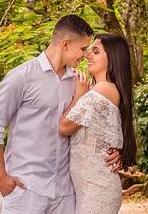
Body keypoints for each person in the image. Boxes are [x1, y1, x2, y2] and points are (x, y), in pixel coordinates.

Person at [0, 15, 123, 214]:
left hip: (65, 194)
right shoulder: (21, 77)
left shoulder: (79, 83)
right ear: (65, 44)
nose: (85, 55)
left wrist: (114, 150)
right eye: (83, 49)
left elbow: (100, 123)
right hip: (26, 189)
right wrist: (1, 177)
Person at [59, 34, 137, 214]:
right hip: (90, 188)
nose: (87, 56)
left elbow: (64, 127)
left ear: (113, 58)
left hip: (97, 190)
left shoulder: (101, 90)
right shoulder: (106, 89)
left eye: (96, 51)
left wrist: (79, 94)